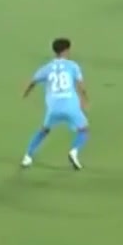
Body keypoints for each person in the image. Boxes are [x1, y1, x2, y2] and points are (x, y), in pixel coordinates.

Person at [21, 37, 89, 170]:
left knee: (43, 130)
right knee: (84, 130)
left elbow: (32, 82)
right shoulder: (73, 66)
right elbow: (81, 86)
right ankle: (74, 151)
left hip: (54, 107)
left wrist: (25, 93)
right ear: (66, 51)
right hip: (71, 106)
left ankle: (27, 156)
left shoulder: (46, 68)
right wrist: (85, 100)